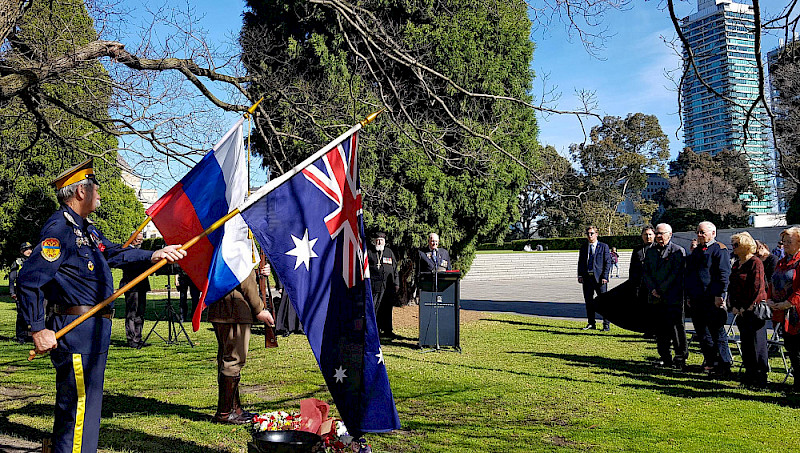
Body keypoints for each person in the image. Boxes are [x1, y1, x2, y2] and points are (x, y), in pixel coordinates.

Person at [16, 159, 186, 453]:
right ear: (80, 191)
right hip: (76, 331)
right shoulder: (60, 230)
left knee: (86, 405)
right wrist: (37, 329)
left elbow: (113, 254)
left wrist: (154, 254)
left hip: (94, 330)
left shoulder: (87, 231)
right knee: (80, 407)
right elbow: (29, 280)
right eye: (95, 188)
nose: (100, 194)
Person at [209, 267, 275, 424]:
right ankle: (225, 413)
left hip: (223, 306)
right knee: (233, 361)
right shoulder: (237, 242)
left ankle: (234, 409)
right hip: (234, 307)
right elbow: (244, 277)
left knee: (227, 359)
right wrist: (259, 308)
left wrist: (259, 272)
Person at [685, 221, 732, 377]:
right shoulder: (697, 251)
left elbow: (723, 274)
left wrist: (720, 294)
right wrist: (689, 296)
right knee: (703, 334)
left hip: (712, 299)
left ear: (713, 233)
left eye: (702, 232)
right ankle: (710, 362)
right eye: (698, 232)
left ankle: (724, 364)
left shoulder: (719, 249)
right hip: (697, 299)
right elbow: (691, 275)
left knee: (717, 333)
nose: (699, 235)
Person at [642, 223, 687, 368]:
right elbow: (646, 272)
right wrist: (653, 289)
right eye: (657, 233)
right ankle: (665, 356)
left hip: (672, 297)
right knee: (660, 328)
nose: (659, 236)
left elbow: (675, 274)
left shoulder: (678, 251)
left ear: (670, 234)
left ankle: (680, 357)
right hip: (655, 297)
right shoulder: (651, 251)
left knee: (676, 328)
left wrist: (661, 289)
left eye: (662, 233)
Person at [728, 232, 769, 387]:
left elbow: (758, 287)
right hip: (740, 310)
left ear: (745, 245)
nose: (733, 247)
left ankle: (760, 377)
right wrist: (734, 306)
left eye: (736, 245)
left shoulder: (755, 262)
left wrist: (749, 306)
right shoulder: (736, 263)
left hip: (754, 310)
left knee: (757, 344)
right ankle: (749, 374)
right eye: (733, 244)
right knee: (746, 343)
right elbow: (732, 285)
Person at [767, 227, 800, 392]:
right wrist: (770, 299)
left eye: (789, 241)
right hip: (783, 311)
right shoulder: (782, 261)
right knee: (791, 347)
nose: (785, 244)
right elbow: (772, 282)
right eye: (784, 241)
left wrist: (789, 302)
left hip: (796, 312)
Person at [119, 232, 152, 348]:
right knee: (131, 313)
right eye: (138, 240)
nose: (140, 242)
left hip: (142, 286)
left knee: (140, 313)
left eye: (141, 240)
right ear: (132, 239)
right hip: (131, 286)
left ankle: (138, 337)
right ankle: (131, 338)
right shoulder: (126, 251)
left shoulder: (141, 253)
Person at [577, 226, 613, 331]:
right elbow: (581, 262)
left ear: (597, 234)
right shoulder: (584, 247)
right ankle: (591, 323)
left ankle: (606, 325)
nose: (590, 235)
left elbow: (608, 262)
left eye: (592, 233)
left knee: (604, 302)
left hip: (600, 278)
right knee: (588, 301)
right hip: (587, 278)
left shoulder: (603, 246)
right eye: (588, 233)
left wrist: (605, 276)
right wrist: (580, 275)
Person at [367, 232, 399, 338]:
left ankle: (388, 330)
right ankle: (374, 330)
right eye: (378, 240)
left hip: (388, 286)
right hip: (374, 285)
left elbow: (395, 270)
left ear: (384, 242)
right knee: (375, 307)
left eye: (381, 240)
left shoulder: (389, 252)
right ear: (375, 241)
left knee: (387, 308)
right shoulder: (370, 252)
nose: (379, 242)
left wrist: (396, 283)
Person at [629, 226, 656, 338]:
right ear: (642, 236)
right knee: (644, 308)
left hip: (654, 284)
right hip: (641, 284)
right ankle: (648, 330)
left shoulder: (658, 248)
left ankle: (656, 330)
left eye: (650, 234)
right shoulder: (638, 250)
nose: (648, 237)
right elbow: (633, 268)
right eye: (646, 235)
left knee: (655, 309)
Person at [9, 241, 34, 344]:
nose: (29, 251)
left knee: (33, 314)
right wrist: (12, 292)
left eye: (30, 249)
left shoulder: (35, 261)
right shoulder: (18, 262)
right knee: (21, 315)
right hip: (21, 292)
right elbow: (12, 278)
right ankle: (21, 337)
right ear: (21, 251)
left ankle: (30, 335)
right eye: (26, 249)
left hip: (33, 292)